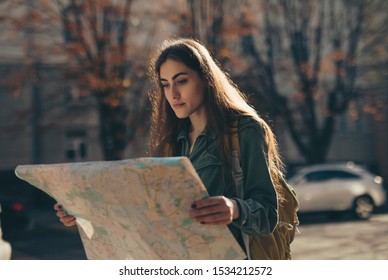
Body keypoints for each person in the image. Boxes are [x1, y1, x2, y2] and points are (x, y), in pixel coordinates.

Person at [55, 38, 286, 257]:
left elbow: (268, 215)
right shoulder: (168, 145)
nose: (172, 94)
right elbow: (148, 214)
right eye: (165, 85)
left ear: (206, 79)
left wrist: (235, 209)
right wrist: (84, 211)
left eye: (181, 81)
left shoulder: (245, 131)